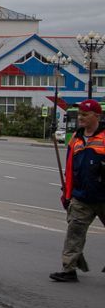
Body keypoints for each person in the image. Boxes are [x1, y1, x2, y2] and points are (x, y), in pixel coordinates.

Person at [51, 99, 105, 282]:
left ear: (96, 116)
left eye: (84, 114)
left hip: (103, 195)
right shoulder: (76, 138)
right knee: (74, 232)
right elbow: (70, 167)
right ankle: (69, 269)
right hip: (81, 196)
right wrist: (67, 193)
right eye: (79, 114)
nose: (80, 117)